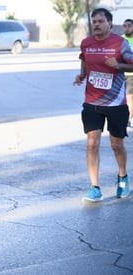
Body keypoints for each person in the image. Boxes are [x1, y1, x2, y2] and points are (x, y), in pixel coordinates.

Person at [73, 8, 133, 202]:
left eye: (100, 21)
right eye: (94, 21)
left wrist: (120, 65)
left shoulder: (120, 43)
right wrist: (82, 74)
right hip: (91, 102)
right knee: (92, 143)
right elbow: (84, 60)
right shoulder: (86, 43)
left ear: (109, 23)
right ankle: (94, 187)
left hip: (116, 103)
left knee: (116, 144)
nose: (96, 24)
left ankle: (123, 177)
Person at [121, 18, 133, 127]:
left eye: (129, 25)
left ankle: (128, 119)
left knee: (130, 97)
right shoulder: (120, 40)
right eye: (125, 26)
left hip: (131, 75)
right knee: (121, 97)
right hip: (120, 74)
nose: (127, 28)